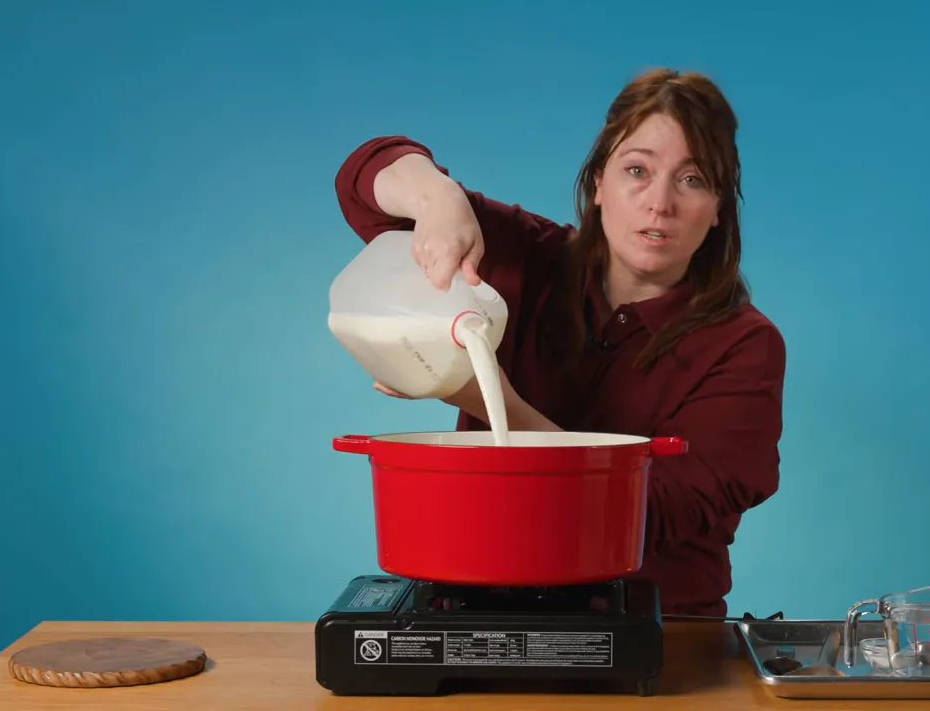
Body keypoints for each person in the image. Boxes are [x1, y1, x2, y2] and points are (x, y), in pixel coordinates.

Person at [334, 67, 785, 617]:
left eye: (692, 180)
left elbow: (651, 513)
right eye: (637, 170)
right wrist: (437, 200)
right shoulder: (528, 256)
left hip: (660, 631)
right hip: (478, 605)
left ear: (719, 208)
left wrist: (489, 402)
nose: (659, 202)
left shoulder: (744, 347)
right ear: (598, 183)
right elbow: (363, 178)